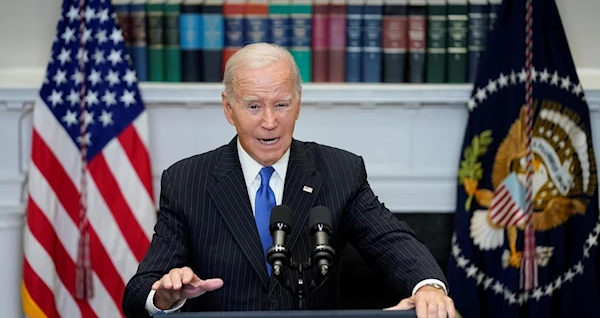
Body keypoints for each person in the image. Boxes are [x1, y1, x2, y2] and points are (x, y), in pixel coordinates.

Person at [122, 43, 456, 318]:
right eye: (253, 106)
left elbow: (389, 240)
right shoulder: (187, 180)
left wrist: (428, 285)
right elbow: (141, 290)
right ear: (228, 109)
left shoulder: (340, 170)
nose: (270, 122)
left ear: (298, 105)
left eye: (281, 104)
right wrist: (165, 296)